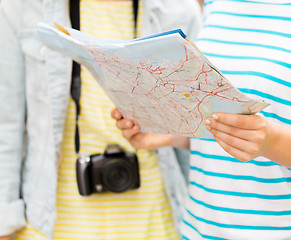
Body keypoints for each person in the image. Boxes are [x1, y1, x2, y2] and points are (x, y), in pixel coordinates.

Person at [112, 0, 291, 239]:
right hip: (198, 231)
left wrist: (271, 142)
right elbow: (220, 121)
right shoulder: (216, 5)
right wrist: (169, 131)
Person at [0, 0, 201, 239]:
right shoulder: (22, 5)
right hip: (52, 226)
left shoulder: (180, 9)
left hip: (156, 222)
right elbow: (5, 125)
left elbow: (199, 133)